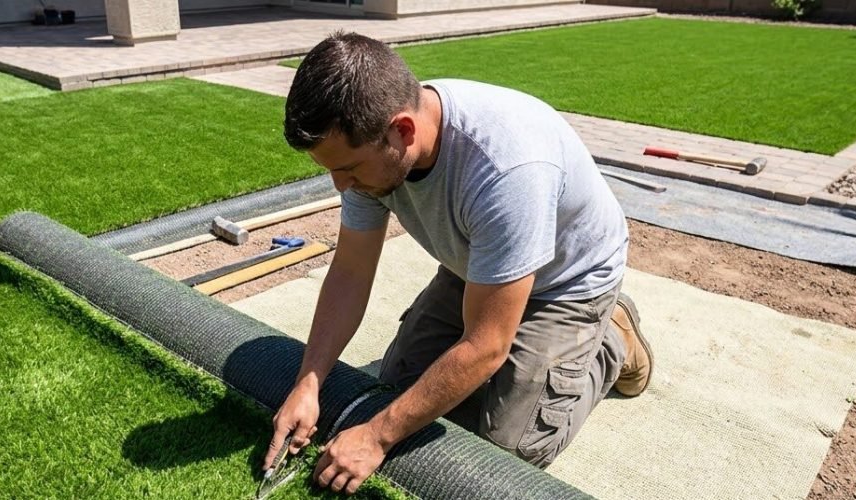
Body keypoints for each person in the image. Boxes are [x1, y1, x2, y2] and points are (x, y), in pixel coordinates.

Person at [263, 31, 655, 495]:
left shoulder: (506, 170)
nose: (340, 186)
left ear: (403, 131)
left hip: (565, 281)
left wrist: (377, 436)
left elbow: (487, 345)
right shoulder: (373, 151)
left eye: (348, 169)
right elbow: (349, 271)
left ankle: (611, 340)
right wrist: (309, 380)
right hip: (477, 262)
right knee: (394, 388)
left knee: (505, 449)